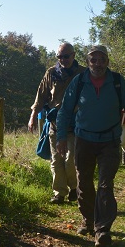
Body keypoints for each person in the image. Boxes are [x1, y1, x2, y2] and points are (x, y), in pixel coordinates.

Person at [56, 45, 125, 247]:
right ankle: (88, 220)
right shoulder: (79, 81)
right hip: (83, 139)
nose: (98, 64)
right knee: (83, 183)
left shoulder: (118, 82)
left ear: (108, 62)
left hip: (110, 142)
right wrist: (61, 137)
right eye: (93, 60)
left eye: (102, 59)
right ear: (88, 62)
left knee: (105, 184)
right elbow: (65, 110)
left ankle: (102, 230)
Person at [28, 42, 86, 204]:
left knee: (71, 160)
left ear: (73, 55)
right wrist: (33, 115)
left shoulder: (82, 73)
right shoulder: (52, 73)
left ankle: (74, 188)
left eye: (66, 56)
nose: (62, 60)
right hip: (54, 123)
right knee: (56, 160)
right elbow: (41, 95)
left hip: (75, 125)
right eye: (59, 57)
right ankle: (59, 193)